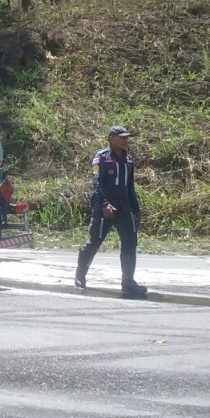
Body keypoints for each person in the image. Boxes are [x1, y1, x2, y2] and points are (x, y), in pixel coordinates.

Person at [75, 126, 148, 298]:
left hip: (125, 208)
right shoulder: (100, 158)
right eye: (121, 137)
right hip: (104, 208)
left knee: (130, 244)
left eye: (126, 138)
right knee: (93, 242)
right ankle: (80, 275)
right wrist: (105, 204)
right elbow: (97, 184)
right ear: (111, 138)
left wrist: (136, 209)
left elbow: (130, 187)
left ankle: (128, 283)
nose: (125, 140)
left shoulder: (129, 160)